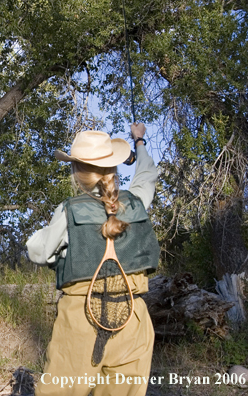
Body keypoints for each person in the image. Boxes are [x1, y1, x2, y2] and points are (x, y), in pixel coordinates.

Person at [27, 123, 159, 396]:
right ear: (114, 166)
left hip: (80, 320)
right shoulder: (136, 201)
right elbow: (147, 174)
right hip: (133, 319)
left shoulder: (68, 211)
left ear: (77, 172)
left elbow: (37, 251)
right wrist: (140, 142)